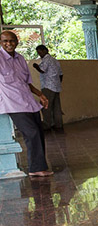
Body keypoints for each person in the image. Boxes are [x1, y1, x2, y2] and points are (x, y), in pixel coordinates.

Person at [0, 31, 53, 177]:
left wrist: (40, 95)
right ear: (0, 42)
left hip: (28, 101)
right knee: (31, 133)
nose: (9, 44)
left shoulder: (20, 58)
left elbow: (27, 82)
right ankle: (35, 168)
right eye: (5, 41)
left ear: (17, 42)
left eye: (12, 41)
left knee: (38, 131)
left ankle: (39, 167)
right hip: (12, 103)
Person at [32, 45, 63, 130]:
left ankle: (47, 125)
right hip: (56, 86)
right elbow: (61, 74)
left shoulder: (46, 59)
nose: (39, 55)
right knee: (56, 107)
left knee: (45, 106)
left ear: (45, 51)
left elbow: (42, 70)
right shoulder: (55, 60)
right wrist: (58, 83)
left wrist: (35, 66)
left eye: (40, 52)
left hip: (48, 86)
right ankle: (58, 124)